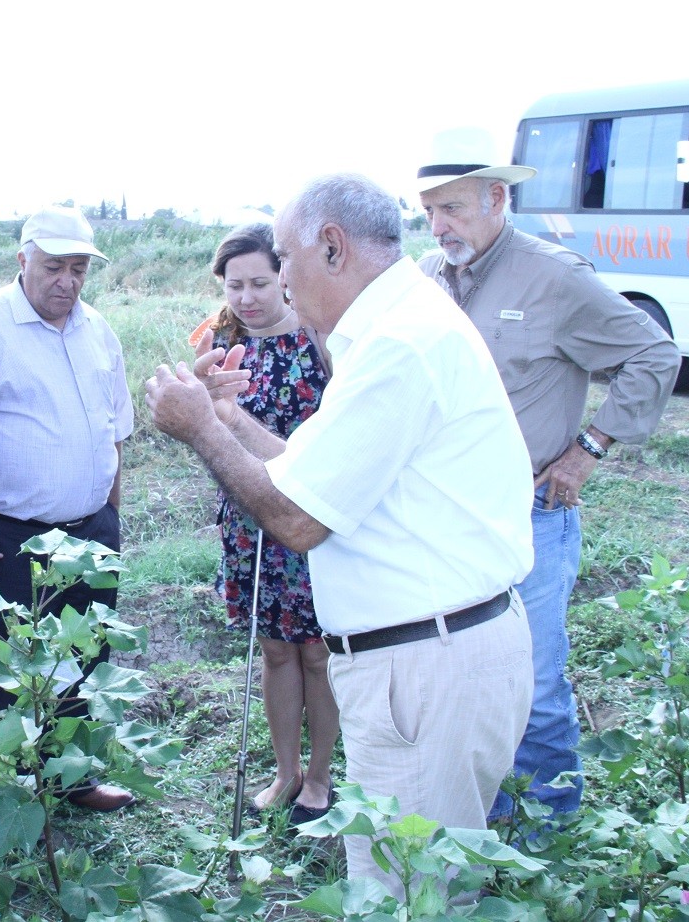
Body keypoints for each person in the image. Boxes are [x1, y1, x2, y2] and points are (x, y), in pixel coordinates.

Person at [146, 173, 534, 894]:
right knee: (420, 882)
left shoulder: (398, 347)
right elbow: (312, 472)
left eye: (284, 263)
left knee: (412, 895)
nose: (282, 285)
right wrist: (229, 421)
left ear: (332, 247)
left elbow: (298, 518)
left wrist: (199, 427)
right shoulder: (399, 328)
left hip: (428, 663)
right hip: (434, 653)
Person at [416, 157, 680, 820]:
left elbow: (654, 354)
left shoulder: (554, 275)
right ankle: (491, 821)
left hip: (532, 513)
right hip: (450, 518)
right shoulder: (427, 278)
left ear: (498, 196)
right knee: (469, 676)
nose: (439, 224)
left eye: (453, 207)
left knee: (533, 683)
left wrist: (588, 448)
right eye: (429, 210)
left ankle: (553, 832)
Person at [0, 205, 136, 812]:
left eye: (77, 269)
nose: (66, 281)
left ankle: (71, 780)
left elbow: (113, 431)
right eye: (53, 267)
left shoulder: (97, 330)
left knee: (81, 658)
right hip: (6, 538)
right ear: (22, 261)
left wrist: (110, 516)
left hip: (90, 533)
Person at [188, 223, 338, 824]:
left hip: (311, 516)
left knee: (319, 654)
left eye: (258, 282)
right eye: (233, 285)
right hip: (248, 522)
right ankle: (285, 772)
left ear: (284, 278)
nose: (246, 297)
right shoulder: (218, 345)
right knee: (276, 652)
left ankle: (321, 777)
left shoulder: (320, 341)